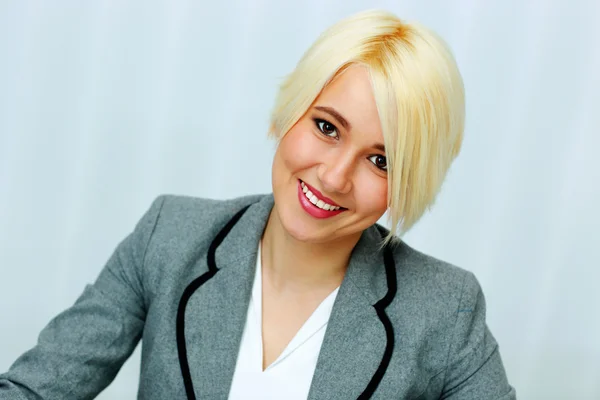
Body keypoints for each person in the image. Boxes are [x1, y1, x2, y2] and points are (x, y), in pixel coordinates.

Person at [0, 9, 516, 400]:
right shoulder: (170, 235)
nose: (335, 177)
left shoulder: (445, 309)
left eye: (380, 161)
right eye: (326, 127)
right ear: (287, 114)